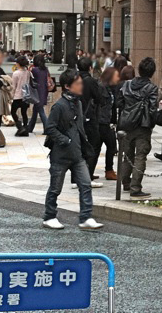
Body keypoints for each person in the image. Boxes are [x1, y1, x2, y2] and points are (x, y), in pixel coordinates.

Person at [42, 69, 103, 230]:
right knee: (55, 188)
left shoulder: (79, 103)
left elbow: (80, 127)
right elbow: (50, 128)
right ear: (67, 86)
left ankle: (86, 217)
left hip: (77, 154)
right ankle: (49, 216)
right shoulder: (59, 106)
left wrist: (82, 143)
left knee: (85, 184)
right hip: (61, 155)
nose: (81, 86)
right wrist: (65, 140)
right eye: (78, 83)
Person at [118, 57, 159, 198]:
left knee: (127, 155)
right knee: (140, 156)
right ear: (152, 72)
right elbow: (153, 109)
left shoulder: (127, 85)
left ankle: (125, 182)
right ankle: (135, 187)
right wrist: (151, 123)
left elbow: (119, 103)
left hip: (127, 124)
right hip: (142, 125)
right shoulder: (152, 88)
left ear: (139, 70)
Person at [77, 57, 103, 185]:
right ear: (90, 68)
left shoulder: (74, 78)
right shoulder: (90, 81)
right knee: (93, 145)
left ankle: (76, 177)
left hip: (75, 116)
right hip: (88, 117)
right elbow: (98, 98)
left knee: (79, 146)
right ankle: (87, 176)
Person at [97, 68, 120, 181]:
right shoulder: (101, 88)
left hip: (107, 121)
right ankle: (108, 171)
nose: (118, 78)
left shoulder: (111, 89)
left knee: (110, 146)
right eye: (116, 76)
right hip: (101, 122)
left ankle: (109, 170)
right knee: (108, 146)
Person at [28, 54, 50, 135]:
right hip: (44, 91)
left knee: (41, 111)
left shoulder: (34, 70)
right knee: (36, 110)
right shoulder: (45, 69)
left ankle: (47, 128)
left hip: (37, 92)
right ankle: (30, 127)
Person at [10, 55, 31, 137]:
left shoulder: (15, 73)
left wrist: (11, 96)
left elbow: (13, 86)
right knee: (24, 112)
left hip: (17, 96)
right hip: (25, 96)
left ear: (18, 64)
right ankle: (25, 128)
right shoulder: (27, 72)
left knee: (13, 112)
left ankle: (20, 127)